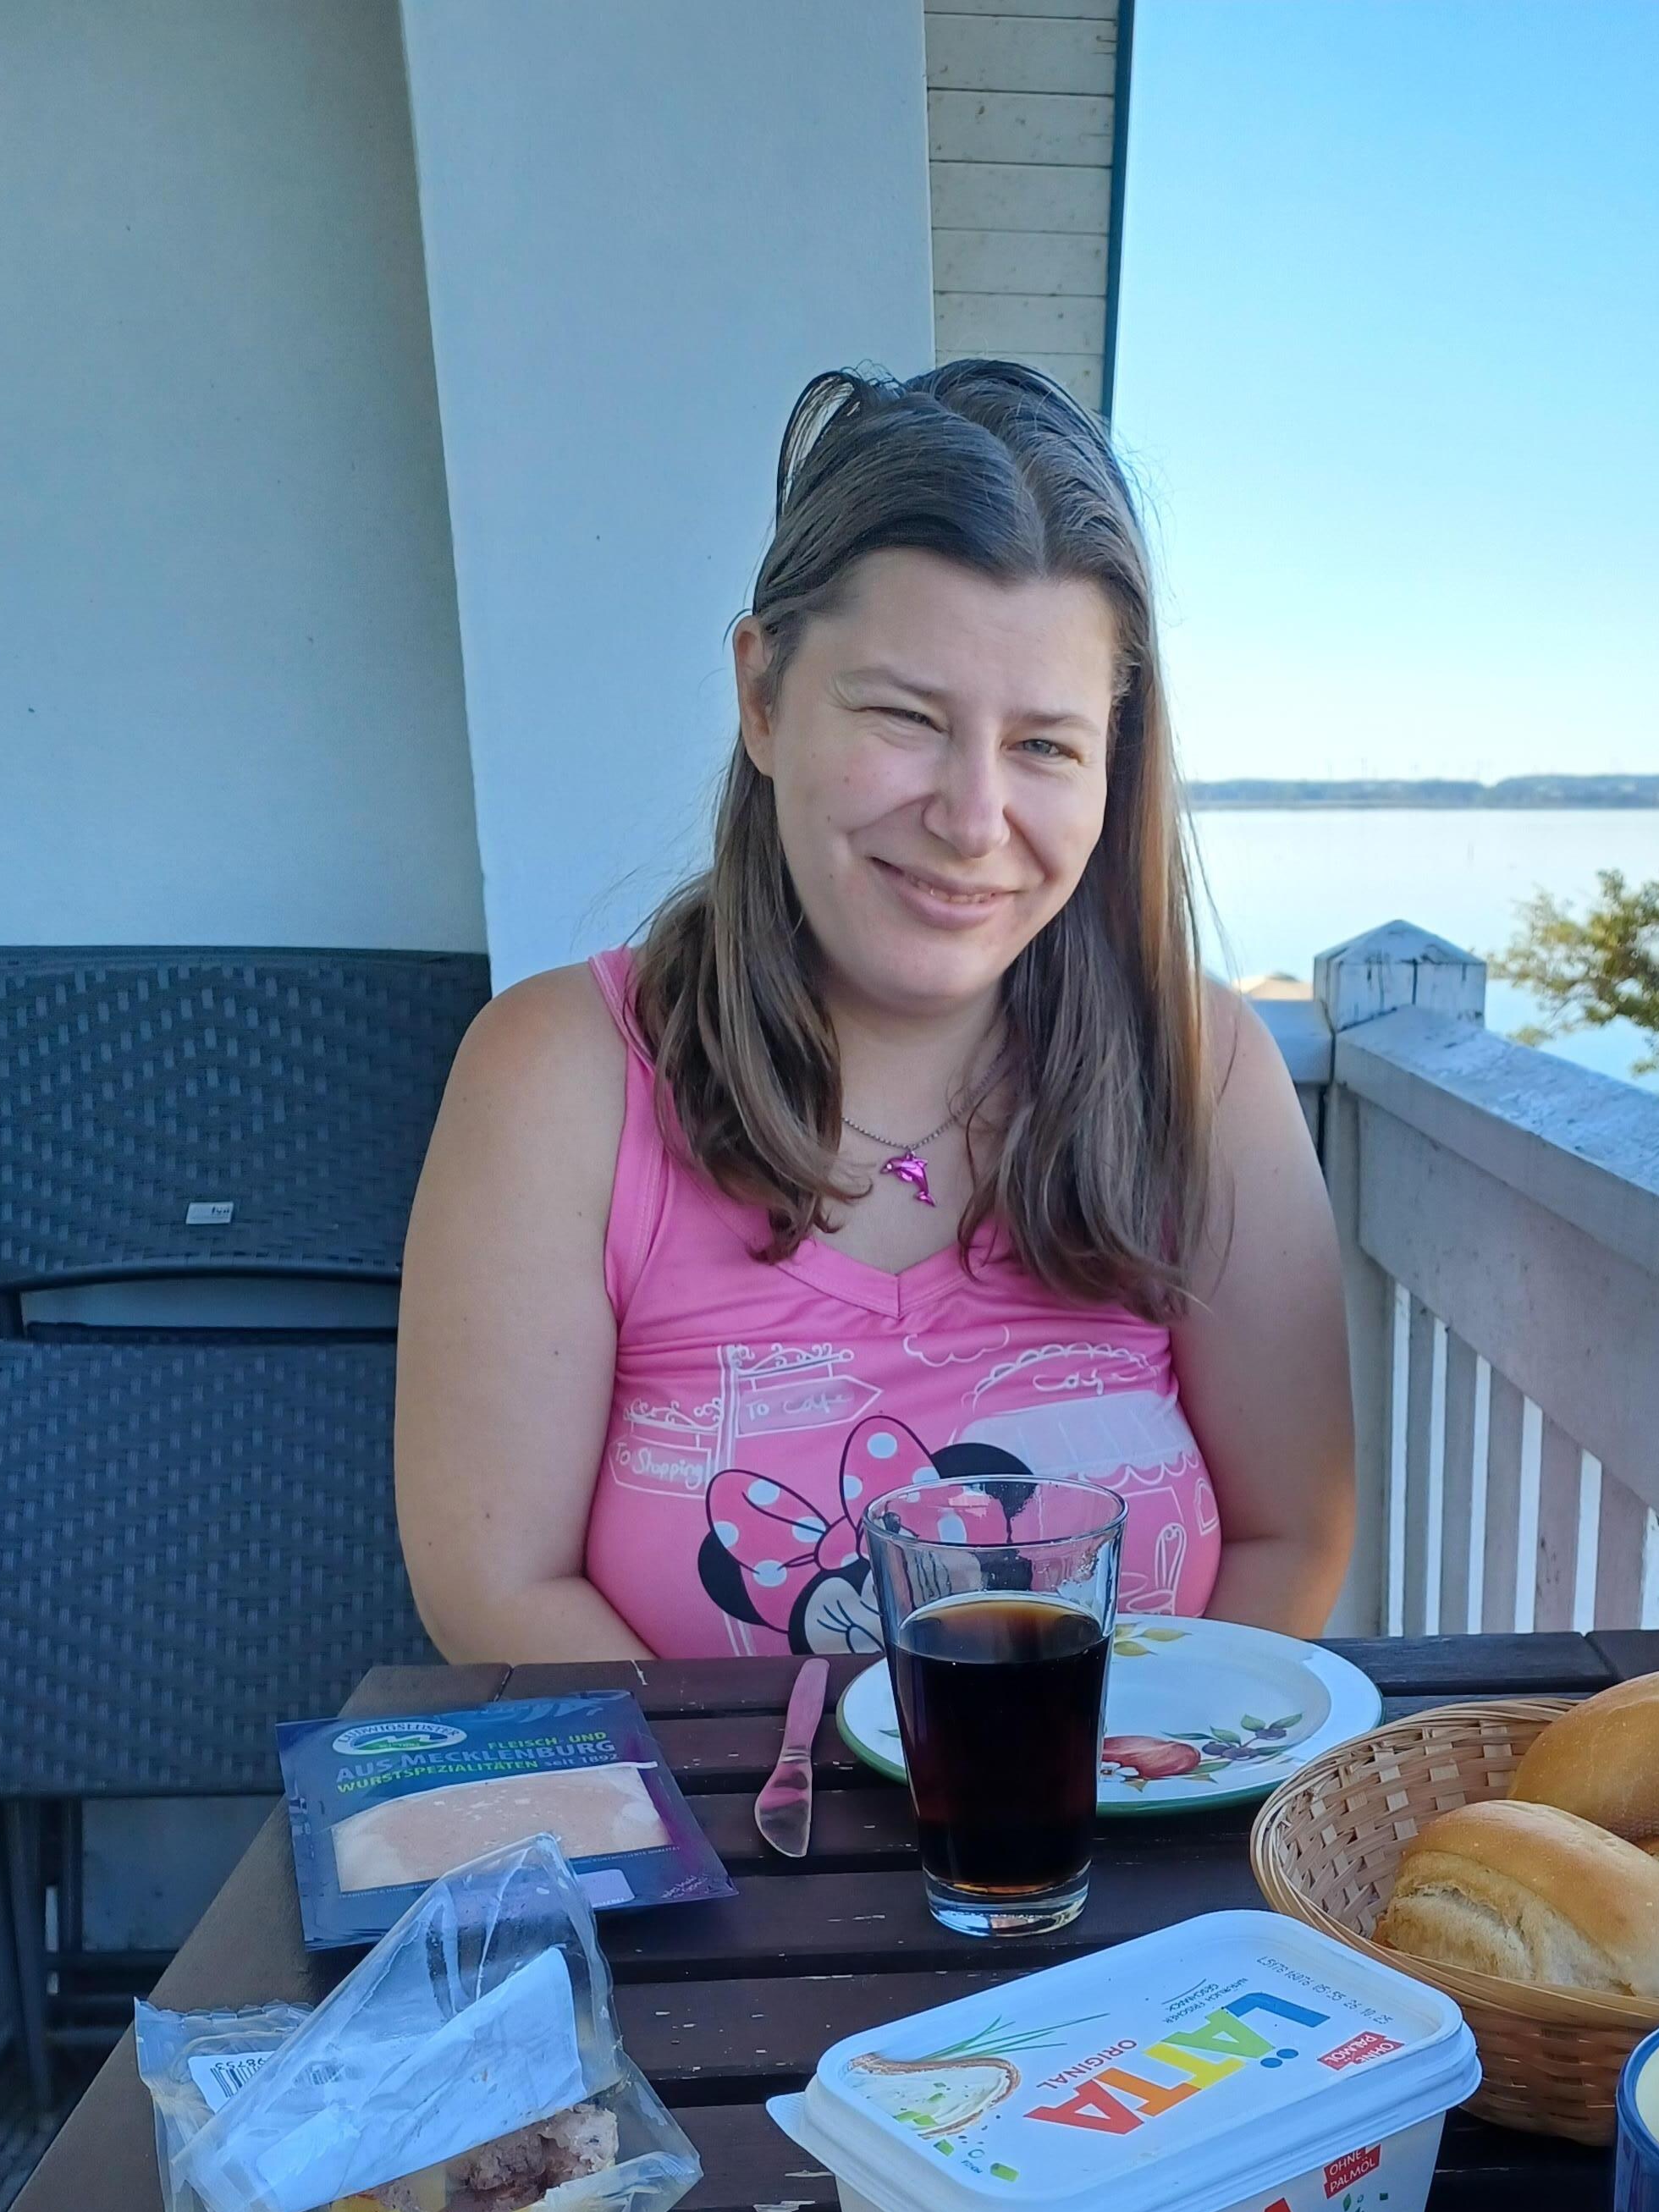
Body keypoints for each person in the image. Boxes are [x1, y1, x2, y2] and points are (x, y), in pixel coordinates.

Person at [398, 362, 1353, 1662]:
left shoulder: (1205, 1070)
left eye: (1045, 746)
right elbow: (495, 1587)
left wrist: (1099, 1811)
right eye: (907, 717)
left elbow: (1289, 1533)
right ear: (762, 696)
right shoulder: (557, 1079)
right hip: (722, 1857)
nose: (972, 821)